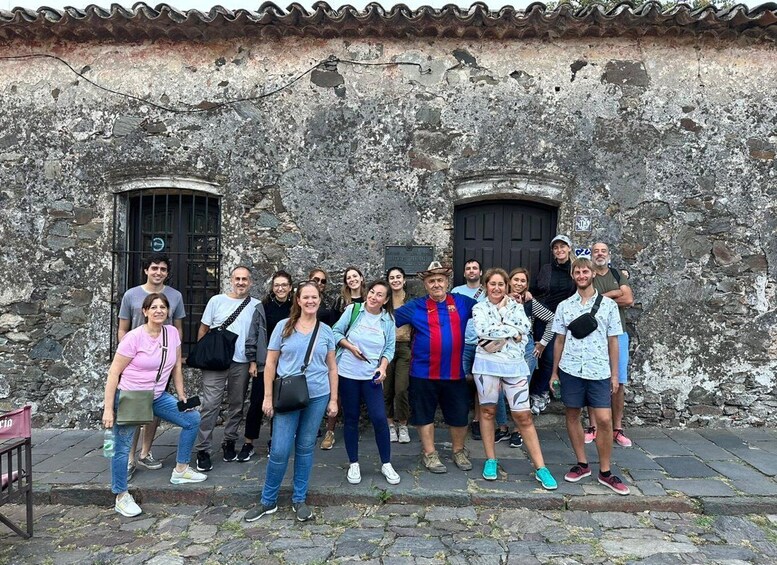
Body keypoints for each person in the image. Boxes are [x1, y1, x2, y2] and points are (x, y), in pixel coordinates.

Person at [103, 293, 206, 517]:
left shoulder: (171, 334)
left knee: (191, 419)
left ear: (168, 311)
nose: (159, 310)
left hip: (157, 395)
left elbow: (177, 367)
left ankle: (181, 469)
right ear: (145, 311)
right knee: (121, 447)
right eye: (154, 307)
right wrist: (108, 409)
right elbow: (114, 373)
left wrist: (182, 396)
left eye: (163, 307)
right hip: (132, 396)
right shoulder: (133, 337)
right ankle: (121, 495)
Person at [244, 281, 338, 523]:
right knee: (280, 450)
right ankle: (268, 500)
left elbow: (332, 367)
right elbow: (271, 364)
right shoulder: (283, 328)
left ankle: (299, 499)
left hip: (317, 395)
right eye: (305, 297)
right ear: (298, 300)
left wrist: (334, 399)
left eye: (314, 297)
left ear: (319, 300)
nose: (310, 301)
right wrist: (267, 397)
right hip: (288, 395)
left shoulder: (326, 331)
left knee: (306, 447)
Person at [550, 258, 630, 495]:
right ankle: (582, 463)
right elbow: (560, 340)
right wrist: (554, 371)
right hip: (571, 368)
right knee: (573, 414)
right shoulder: (564, 306)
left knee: (604, 419)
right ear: (573, 275)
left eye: (585, 271)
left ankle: (605, 471)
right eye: (577, 271)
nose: (582, 275)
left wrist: (615, 374)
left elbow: (613, 341)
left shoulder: (608, 306)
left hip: (599, 370)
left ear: (593, 274)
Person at [472, 269, 557, 489]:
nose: (497, 288)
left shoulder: (517, 307)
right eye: (493, 284)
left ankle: (541, 467)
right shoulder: (478, 308)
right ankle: (491, 459)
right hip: (486, 365)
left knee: (524, 416)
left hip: (514, 366)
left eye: (501, 284)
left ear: (506, 286)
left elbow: (525, 329)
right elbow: (482, 330)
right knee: (488, 412)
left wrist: (508, 331)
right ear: (486, 286)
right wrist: (512, 332)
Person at [394, 261, 477, 474]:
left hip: (454, 372)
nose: (436, 284)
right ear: (425, 285)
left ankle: (458, 451)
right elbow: (387, 318)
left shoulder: (463, 303)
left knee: (459, 415)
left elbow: (488, 309)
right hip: (423, 372)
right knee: (424, 415)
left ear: (447, 282)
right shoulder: (415, 306)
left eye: (440, 280)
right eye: (431, 281)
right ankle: (430, 454)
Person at [117, 253, 186, 478]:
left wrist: (175, 357)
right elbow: (122, 328)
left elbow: (178, 328)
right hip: (136, 365)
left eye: (163, 269)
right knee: (133, 413)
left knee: (154, 410)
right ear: (146, 270)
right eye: (154, 268)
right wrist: (128, 354)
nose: (158, 272)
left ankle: (146, 452)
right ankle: (129, 458)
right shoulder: (131, 295)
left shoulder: (175, 296)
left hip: (160, 366)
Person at [333, 280, 400, 485]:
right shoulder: (354, 310)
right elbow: (335, 332)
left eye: (380, 295)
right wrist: (351, 347)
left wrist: (383, 367)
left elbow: (389, 348)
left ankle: (386, 463)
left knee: (380, 418)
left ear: (386, 300)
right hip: (348, 373)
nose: (373, 297)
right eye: (372, 292)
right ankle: (354, 463)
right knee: (351, 418)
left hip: (372, 376)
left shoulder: (388, 319)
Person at [194, 266, 260, 472]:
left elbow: (256, 335)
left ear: (250, 282)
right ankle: (203, 448)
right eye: (237, 278)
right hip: (215, 362)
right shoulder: (216, 301)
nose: (241, 282)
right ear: (231, 280)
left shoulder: (256, 305)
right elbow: (204, 329)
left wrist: (252, 362)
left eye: (245, 279)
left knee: (236, 404)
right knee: (210, 404)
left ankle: (229, 440)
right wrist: (205, 356)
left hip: (240, 362)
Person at [497, 267, 556, 448]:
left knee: (521, 388)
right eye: (516, 280)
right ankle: (502, 426)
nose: (519, 284)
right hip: (502, 345)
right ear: (509, 281)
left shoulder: (530, 303)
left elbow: (553, 319)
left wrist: (543, 343)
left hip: (526, 347)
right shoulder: (498, 298)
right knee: (498, 387)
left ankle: (517, 430)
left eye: (523, 281)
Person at [238, 272, 294, 461]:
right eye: (277, 285)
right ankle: (248, 443)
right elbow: (252, 336)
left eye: (284, 285)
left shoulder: (295, 308)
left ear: (290, 287)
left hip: (286, 364)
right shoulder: (262, 308)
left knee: (280, 405)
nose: (280, 288)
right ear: (272, 287)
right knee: (256, 404)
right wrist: (252, 361)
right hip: (264, 363)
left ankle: (275, 441)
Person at [586, 242, 635, 447]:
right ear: (591, 254)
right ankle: (593, 426)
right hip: (594, 335)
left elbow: (629, 299)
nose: (600, 254)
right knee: (593, 378)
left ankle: (617, 428)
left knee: (619, 382)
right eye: (596, 251)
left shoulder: (616, 274)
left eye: (603, 251)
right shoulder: (588, 274)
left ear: (609, 254)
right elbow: (587, 300)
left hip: (618, 334)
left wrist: (603, 298)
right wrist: (615, 294)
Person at [320, 266, 366, 450]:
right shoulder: (340, 302)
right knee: (336, 391)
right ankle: (330, 430)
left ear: (362, 278)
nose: (352, 280)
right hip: (343, 350)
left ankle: (352, 428)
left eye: (355, 276)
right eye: (348, 278)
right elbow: (333, 328)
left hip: (365, 352)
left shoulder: (369, 299)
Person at [531, 234, 577, 414]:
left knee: (564, 357)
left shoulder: (575, 268)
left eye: (563, 246)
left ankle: (549, 390)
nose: (559, 250)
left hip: (569, 319)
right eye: (556, 247)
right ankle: (538, 391)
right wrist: (527, 295)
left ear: (569, 248)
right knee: (546, 357)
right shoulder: (547, 269)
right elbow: (539, 289)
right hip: (547, 317)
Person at [451, 259, 488, 441]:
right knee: (462, 380)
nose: (471, 271)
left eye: (475, 268)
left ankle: (477, 421)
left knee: (482, 383)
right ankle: (460, 416)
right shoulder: (456, 292)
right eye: (468, 268)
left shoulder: (489, 291)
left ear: (480, 272)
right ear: (464, 273)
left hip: (484, 344)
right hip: (463, 343)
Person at [384, 267, 412, 444]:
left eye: (398, 277)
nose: (395, 280)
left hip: (404, 347)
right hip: (385, 348)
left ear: (404, 280)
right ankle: (389, 426)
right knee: (386, 390)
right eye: (392, 277)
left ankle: (403, 425)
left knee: (401, 389)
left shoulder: (410, 302)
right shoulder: (384, 301)